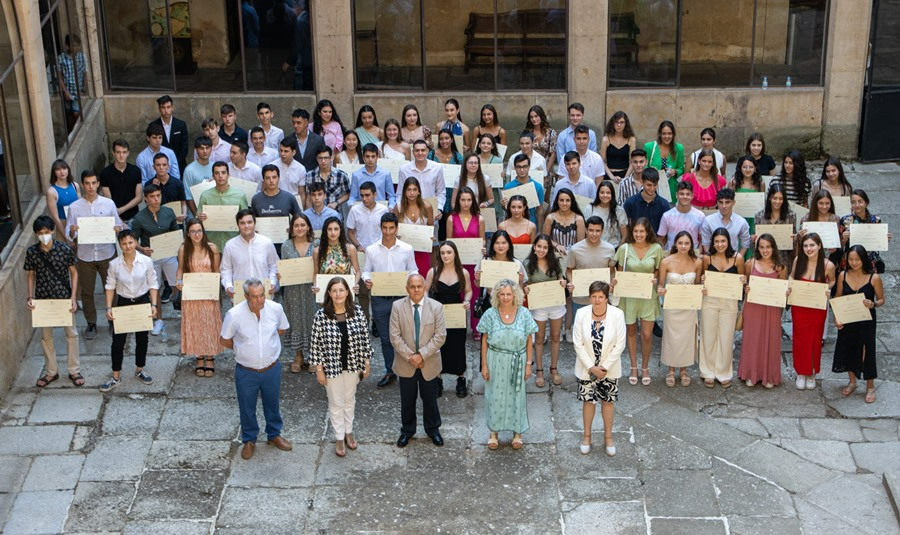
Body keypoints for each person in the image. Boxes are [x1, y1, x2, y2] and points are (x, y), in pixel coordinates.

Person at [220, 278, 293, 461]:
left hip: (271, 369)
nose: (259, 300)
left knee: (273, 403)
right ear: (245, 296)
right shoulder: (234, 314)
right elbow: (224, 340)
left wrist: (266, 346)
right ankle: (249, 440)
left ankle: (274, 434)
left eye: (262, 295)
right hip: (246, 371)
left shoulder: (275, 309)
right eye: (254, 297)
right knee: (247, 407)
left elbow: (282, 329)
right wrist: (243, 349)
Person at [310, 276, 373, 457]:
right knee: (336, 402)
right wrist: (319, 370)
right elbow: (315, 345)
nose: (338, 294)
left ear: (348, 292)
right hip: (331, 367)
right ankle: (339, 436)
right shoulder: (321, 316)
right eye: (334, 290)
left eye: (341, 290)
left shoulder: (358, 312)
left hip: (353, 364)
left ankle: (348, 432)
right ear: (329, 293)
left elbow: (365, 340)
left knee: (349, 399)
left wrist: (366, 363)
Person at [477, 279, 538, 450]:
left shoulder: (524, 313)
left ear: (515, 295)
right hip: (495, 359)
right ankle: (493, 433)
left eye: (508, 294)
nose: (505, 297)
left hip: (517, 360)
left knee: (517, 396)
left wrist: (528, 364)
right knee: (494, 396)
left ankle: (517, 433)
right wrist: (484, 365)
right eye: (502, 294)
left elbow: (529, 339)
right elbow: (484, 340)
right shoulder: (490, 314)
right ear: (497, 295)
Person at [66, 170, 125, 340]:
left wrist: (117, 228)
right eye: (87, 183)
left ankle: (113, 320)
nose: (91, 187)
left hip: (107, 253)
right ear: (82, 184)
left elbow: (118, 224)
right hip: (85, 256)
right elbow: (70, 234)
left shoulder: (108, 204)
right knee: (87, 291)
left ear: (98, 183)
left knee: (113, 288)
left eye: (94, 183)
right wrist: (72, 231)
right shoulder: (75, 207)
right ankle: (91, 323)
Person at [391, 273, 448, 447]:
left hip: (429, 362)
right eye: (412, 287)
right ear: (407, 288)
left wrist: (421, 355)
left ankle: (433, 429)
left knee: (430, 398)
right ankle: (407, 431)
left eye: (419, 286)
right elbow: (394, 336)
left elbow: (440, 335)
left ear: (424, 287)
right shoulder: (397, 306)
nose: (416, 290)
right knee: (407, 399)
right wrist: (411, 357)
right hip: (405, 362)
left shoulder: (436, 307)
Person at [362, 212, 418, 387]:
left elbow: (413, 270)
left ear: (396, 228)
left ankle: (408, 369)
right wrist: (366, 280)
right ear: (380, 228)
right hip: (380, 298)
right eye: (385, 228)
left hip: (402, 298)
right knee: (386, 338)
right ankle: (390, 370)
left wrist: (413, 280)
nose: (387, 232)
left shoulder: (407, 249)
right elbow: (365, 271)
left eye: (391, 228)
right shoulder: (371, 250)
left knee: (405, 336)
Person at [25, 215, 81, 387]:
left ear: (52, 231)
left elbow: (74, 273)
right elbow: (30, 275)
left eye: (46, 232)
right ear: (36, 234)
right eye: (40, 233)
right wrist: (30, 296)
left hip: (63, 298)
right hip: (42, 300)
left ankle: (74, 370)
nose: (44, 235)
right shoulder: (32, 252)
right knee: (45, 337)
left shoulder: (64, 249)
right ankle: (51, 372)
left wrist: (73, 298)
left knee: (71, 334)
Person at [100, 229, 159, 392]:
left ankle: (140, 369)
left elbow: (153, 283)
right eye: (124, 243)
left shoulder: (146, 261)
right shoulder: (114, 264)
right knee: (118, 341)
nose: (128, 246)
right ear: (120, 245)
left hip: (142, 301)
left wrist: (154, 305)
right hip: (123, 303)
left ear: (135, 242)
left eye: (131, 242)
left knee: (142, 339)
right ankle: (115, 376)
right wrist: (108, 307)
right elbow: (110, 286)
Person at [573, 281, 626, 456]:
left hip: (608, 368)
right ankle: (587, 437)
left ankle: (608, 438)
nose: (597, 300)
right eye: (594, 297)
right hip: (587, 368)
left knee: (608, 402)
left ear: (606, 298)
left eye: (600, 297)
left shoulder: (617, 314)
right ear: (590, 297)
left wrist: (603, 367)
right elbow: (578, 343)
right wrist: (591, 367)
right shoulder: (581, 313)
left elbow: (620, 344)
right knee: (588, 401)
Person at [833, 245, 884, 404]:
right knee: (848, 347)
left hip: (866, 320)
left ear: (864, 260)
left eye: (857, 259)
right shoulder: (843, 275)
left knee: (867, 350)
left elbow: (882, 299)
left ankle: (870, 386)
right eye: (851, 259)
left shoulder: (873, 278)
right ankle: (852, 381)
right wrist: (837, 318)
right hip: (848, 318)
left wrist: (873, 304)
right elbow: (838, 298)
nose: (854, 263)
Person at [615, 217, 663, 386]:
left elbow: (658, 270)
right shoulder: (625, 248)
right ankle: (633, 366)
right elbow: (619, 272)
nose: (638, 234)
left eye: (642, 231)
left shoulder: (656, 249)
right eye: (635, 231)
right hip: (629, 297)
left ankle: (645, 367)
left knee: (647, 334)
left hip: (647, 295)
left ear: (648, 231)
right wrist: (615, 282)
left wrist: (655, 279)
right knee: (631, 332)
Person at [738, 233, 787, 388]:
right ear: (757, 248)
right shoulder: (750, 264)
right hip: (753, 306)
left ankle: (769, 375)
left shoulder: (781, 267)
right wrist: (745, 286)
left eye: (768, 247)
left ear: (773, 248)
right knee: (752, 339)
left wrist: (786, 292)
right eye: (762, 247)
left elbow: (783, 287)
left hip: (772, 308)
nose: (765, 250)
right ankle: (751, 373)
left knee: (771, 338)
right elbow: (743, 283)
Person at [425, 241, 473, 398]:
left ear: (455, 254)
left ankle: (461, 379)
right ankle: (438, 379)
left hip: (456, 316)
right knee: (439, 347)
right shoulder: (433, 272)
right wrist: (428, 305)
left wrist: (466, 301)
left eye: (449, 252)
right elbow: (425, 292)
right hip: (438, 315)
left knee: (458, 347)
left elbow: (468, 291)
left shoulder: (463, 272)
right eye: (443, 253)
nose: (445, 256)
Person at [175, 219, 222, 377]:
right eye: (193, 231)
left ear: (203, 231)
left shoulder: (212, 248)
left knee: (209, 323)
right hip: (192, 293)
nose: (197, 234)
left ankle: (210, 356)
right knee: (196, 324)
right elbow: (180, 269)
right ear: (188, 233)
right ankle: (199, 356)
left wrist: (215, 291)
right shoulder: (184, 249)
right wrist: (179, 282)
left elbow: (216, 272)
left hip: (208, 292)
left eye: (199, 230)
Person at [130, 183, 179, 334]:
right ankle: (159, 319)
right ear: (146, 199)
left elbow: (176, 234)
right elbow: (133, 240)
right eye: (152, 197)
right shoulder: (139, 218)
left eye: (158, 196)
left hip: (170, 255)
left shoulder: (169, 212)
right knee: (154, 288)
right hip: (151, 258)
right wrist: (141, 249)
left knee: (178, 284)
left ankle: (182, 309)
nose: (156, 199)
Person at [789, 233, 836, 390]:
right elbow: (791, 276)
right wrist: (789, 287)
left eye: (812, 245)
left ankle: (812, 373)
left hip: (816, 308)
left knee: (815, 339)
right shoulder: (798, 261)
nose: (808, 249)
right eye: (805, 245)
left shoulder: (828, 265)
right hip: (799, 306)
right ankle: (801, 372)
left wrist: (828, 288)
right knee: (800, 339)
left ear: (819, 246)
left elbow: (833, 280)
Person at [700, 228, 744, 388]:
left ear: (729, 241)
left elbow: (742, 281)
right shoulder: (707, 258)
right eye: (717, 241)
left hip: (729, 302)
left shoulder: (737, 258)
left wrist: (743, 281)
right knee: (708, 336)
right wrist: (703, 281)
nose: (720, 244)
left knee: (726, 337)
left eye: (723, 241)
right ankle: (707, 371)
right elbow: (700, 282)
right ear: (713, 242)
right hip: (709, 301)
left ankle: (724, 372)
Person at [657, 231, 702, 387]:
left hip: (688, 306)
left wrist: (701, 289)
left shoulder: (697, 262)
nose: (683, 246)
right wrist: (660, 290)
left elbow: (697, 285)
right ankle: (670, 369)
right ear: (675, 244)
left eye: (687, 243)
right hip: (672, 306)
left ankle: (684, 370)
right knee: (671, 336)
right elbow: (660, 284)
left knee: (687, 337)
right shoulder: (666, 262)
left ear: (692, 245)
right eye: (680, 243)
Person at [523, 234, 567, 388]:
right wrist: (525, 288)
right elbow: (524, 284)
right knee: (539, 338)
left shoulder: (556, 262)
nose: (541, 250)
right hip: (539, 306)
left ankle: (554, 369)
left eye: (545, 247)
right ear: (534, 247)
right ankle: (540, 371)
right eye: (539, 246)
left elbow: (562, 280)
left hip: (556, 305)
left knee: (556, 336)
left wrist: (563, 283)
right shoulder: (528, 264)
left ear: (549, 249)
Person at [565, 215, 617, 341]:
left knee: (601, 335)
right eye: (591, 230)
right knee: (582, 336)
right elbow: (569, 270)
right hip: (581, 299)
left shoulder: (610, 249)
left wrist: (611, 282)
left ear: (602, 231)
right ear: (586, 230)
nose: (594, 234)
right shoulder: (575, 249)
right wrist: (571, 282)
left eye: (598, 231)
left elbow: (611, 270)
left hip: (601, 299)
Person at [474, 230, 529, 342]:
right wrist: (478, 278)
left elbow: (520, 289)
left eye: (504, 243)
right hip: (490, 302)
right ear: (492, 245)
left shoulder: (516, 264)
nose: (500, 246)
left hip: (510, 304)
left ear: (509, 245)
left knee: (507, 337)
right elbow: (478, 285)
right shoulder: (485, 262)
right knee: (488, 337)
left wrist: (521, 281)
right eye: (497, 243)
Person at [279, 214, 317, 373]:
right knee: (295, 319)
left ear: (308, 227)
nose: (300, 228)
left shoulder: (316, 245)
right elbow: (283, 267)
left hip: (311, 290)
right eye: (296, 225)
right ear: (292, 229)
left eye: (303, 225)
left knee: (312, 320)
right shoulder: (286, 246)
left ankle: (314, 356)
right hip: (293, 291)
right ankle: (299, 355)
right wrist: (281, 275)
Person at [347, 181, 390, 319]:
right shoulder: (355, 210)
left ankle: (378, 321)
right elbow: (350, 232)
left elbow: (386, 231)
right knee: (364, 291)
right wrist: (358, 246)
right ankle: (365, 319)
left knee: (378, 289)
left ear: (375, 194)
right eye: (362, 195)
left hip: (379, 254)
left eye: (367, 195)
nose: (364, 199)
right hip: (362, 254)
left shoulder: (383, 210)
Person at [446, 187, 484, 327]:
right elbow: (448, 242)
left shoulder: (480, 219)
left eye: (469, 200)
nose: (466, 203)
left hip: (474, 262)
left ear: (473, 201)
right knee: (458, 293)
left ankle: (476, 326)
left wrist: (482, 246)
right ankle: (457, 323)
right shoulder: (451, 219)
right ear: (458, 201)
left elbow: (483, 239)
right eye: (463, 200)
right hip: (457, 263)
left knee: (474, 294)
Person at [220, 209, 279, 300]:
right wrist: (228, 286)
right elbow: (226, 270)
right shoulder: (230, 245)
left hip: (264, 295)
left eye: (249, 222)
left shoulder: (266, 243)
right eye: (242, 223)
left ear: (255, 223)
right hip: (240, 296)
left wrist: (272, 282)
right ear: (238, 225)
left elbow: (274, 266)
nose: (246, 226)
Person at [197, 161, 249, 250]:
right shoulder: (205, 195)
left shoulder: (240, 195)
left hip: (234, 244)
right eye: (217, 173)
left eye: (223, 173)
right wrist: (200, 217)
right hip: (212, 243)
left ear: (228, 175)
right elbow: (197, 219)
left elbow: (246, 220)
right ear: (213, 176)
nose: (220, 176)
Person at [840, 189, 889, 273]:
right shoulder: (845, 220)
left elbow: (878, 243)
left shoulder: (876, 220)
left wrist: (885, 239)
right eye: (853, 202)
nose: (857, 205)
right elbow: (840, 245)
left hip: (869, 258)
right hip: (851, 259)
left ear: (866, 203)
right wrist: (844, 239)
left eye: (860, 201)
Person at [394, 177, 435, 277]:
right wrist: (396, 235)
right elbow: (393, 228)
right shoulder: (398, 207)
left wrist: (431, 237)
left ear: (419, 192)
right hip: (403, 252)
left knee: (422, 280)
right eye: (409, 190)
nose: (412, 193)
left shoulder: (427, 206)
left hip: (422, 251)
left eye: (414, 189)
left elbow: (431, 227)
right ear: (404, 192)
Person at [754, 183, 797, 268]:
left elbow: (793, 242)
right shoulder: (759, 216)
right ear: (769, 198)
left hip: (783, 259)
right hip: (764, 258)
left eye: (781, 198)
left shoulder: (791, 215)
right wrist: (754, 239)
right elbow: (756, 242)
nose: (778, 201)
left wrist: (794, 238)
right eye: (775, 198)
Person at [99, 140, 143, 222]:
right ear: (113, 153)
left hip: (134, 216)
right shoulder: (105, 173)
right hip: (114, 217)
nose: (121, 155)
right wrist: (118, 218)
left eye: (124, 152)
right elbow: (108, 200)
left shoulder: (136, 171)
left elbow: (139, 197)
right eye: (118, 152)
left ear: (128, 153)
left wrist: (122, 209)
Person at [700, 188, 750, 257]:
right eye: (721, 202)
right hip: (714, 259)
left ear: (733, 203)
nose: (724, 206)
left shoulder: (741, 222)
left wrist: (737, 259)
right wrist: (712, 259)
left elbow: (745, 243)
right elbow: (706, 243)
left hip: (733, 260)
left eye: (727, 202)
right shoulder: (708, 221)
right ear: (717, 203)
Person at [799, 189, 842, 267]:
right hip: (810, 256)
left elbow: (838, 241)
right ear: (815, 203)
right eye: (821, 203)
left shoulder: (835, 219)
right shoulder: (806, 219)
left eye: (827, 203)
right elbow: (801, 243)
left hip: (830, 258)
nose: (824, 206)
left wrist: (835, 247)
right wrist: (800, 236)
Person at [658, 181, 705, 251]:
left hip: (692, 255)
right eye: (682, 194)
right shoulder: (667, 216)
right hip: (671, 254)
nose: (685, 197)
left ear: (692, 196)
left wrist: (699, 254)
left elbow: (702, 239)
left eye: (688, 194)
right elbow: (661, 239)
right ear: (676, 195)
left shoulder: (700, 216)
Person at [644, 120, 684, 203]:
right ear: (659, 134)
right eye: (664, 134)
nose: (667, 136)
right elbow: (643, 166)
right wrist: (650, 170)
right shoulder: (649, 147)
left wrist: (675, 171)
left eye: (669, 133)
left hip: (670, 188)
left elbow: (681, 168)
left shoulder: (679, 148)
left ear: (673, 134)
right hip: (653, 187)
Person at [622, 168, 670, 236]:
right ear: (642, 182)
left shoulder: (664, 205)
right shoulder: (630, 203)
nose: (652, 188)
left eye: (655, 185)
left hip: (655, 243)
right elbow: (625, 225)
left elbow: (665, 230)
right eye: (649, 185)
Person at [583, 180, 627, 248]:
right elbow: (585, 232)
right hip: (592, 248)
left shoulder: (619, 211)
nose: (605, 195)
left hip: (613, 249)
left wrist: (617, 255)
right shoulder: (590, 209)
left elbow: (624, 236)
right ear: (598, 194)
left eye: (608, 193)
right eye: (602, 192)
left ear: (612, 194)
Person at [503, 154, 545, 225]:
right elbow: (507, 209)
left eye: (524, 166)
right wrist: (503, 205)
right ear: (515, 168)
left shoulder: (538, 187)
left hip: (531, 225)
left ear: (529, 167)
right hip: (513, 225)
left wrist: (539, 231)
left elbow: (540, 211)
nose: (522, 170)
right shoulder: (508, 187)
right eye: (518, 167)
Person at [151, 95, 189, 173]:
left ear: (172, 108)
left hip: (179, 166)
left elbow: (184, 148)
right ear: (159, 109)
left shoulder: (181, 125)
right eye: (163, 107)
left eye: (168, 107)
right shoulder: (153, 126)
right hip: (160, 167)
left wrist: (174, 163)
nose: (166, 110)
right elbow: (153, 147)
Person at [524, 105, 558, 194]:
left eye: (536, 116)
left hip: (547, 166)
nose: (534, 119)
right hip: (532, 167)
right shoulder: (528, 132)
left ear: (541, 117)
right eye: (531, 117)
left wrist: (546, 172)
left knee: (545, 199)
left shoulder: (551, 133)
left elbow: (553, 154)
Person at [46, 159, 80, 244]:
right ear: (54, 172)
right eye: (58, 169)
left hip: (77, 223)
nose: (62, 172)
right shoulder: (51, 191)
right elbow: (55, 218)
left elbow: (81, 205)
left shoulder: (75, 185)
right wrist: (67, 237)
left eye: (64, 168)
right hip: (63, 224)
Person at [542, 188, 585, 257]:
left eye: (567, 200)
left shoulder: (579, 219)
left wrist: (571, 251)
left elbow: (581, 243)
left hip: (573, 257)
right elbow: (545, 239)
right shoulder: (550, 218)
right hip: (554, 257)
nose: (564, 203)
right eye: (561, 200)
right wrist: (556, 245)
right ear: (557, 201)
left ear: (572, 202)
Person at [731, 155, 766, 238]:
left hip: (754, 219)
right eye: (744, 167)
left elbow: (762, 203)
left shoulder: (760, 184)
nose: (747, 170)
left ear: (755, 168)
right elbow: (729, 201)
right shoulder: (733, 182)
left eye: (751, 167)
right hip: (738, 218)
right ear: (740, 168)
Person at [57, 34, 86, 132]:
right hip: (68, 91)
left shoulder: (82, 57)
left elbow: (86, 73)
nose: (76, 48)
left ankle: (77, 131)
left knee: (76, 113)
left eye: (78, 45)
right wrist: (65, 92)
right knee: (69, 114)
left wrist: (84, 88)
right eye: (74, 45)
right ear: (68, 46)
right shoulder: (62, 58)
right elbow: (60, 76)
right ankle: (72, 132)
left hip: (79, 90)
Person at [306, 146, 350, 211]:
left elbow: (348, 193)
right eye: (320, 158)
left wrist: (336, 203)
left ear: (331, 158)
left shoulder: (341, 175)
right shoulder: (310, 175)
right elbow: (309, 198)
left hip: (336, 213)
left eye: (326, 158)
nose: (323, 161)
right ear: (317, 159)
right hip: (316, 213)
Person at [555, 103, 598, 167]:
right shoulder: (562, 136)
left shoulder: (591, 134)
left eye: (578, 115)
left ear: (582, 115)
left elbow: (593, 157)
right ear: (569, 116)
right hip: (569, 172)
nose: (575, 118)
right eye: (572, 115)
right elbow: (561, 160)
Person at [283, 1, 312, 91]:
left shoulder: (302, 21)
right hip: (308, 60)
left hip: (307, 61)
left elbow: (297, 43)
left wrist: (289, 61)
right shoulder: (304, 20)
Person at [148, 154, 187, 223]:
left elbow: (183, 203)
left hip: (176, 221)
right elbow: (148, 205)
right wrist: (153, 188)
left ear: (168, 166)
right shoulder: (149, 184)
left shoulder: (178, 183)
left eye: (164, 164)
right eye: (158, 165)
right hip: (158, 222)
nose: (161, 167)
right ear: (153, 167)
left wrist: (183, 214)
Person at [599, 111, 636, 182]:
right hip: (609, 175)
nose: (619, 125)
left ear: (626, 124)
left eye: (622, 122)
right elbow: (602, 161)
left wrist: (625, 178)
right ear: (612, 124)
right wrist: (612, 177)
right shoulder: (606, 139)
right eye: (616, 122)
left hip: (626, 174)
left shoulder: (631, 139)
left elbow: (632, 161)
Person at [182, 136, 214, 216]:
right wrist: (197, 215)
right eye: (201, 148)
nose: (205, 151)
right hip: (194, 214)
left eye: (207, 148)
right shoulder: (189, 170)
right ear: (196, 150)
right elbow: (188, 196)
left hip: (212, 212)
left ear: (211, 149)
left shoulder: (215, 167)